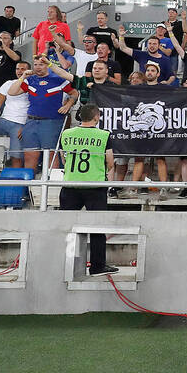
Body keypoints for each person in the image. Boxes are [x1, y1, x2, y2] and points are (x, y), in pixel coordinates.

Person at [58, 104, 118, 277]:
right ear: (96, 117)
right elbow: (110, 161)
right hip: (94, 185)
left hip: (71, 185)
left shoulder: (67, 134)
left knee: (67, 227)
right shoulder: (104, 135)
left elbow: (64, 157)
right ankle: (97, 266)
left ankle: (65, 261)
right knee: (97, 228)